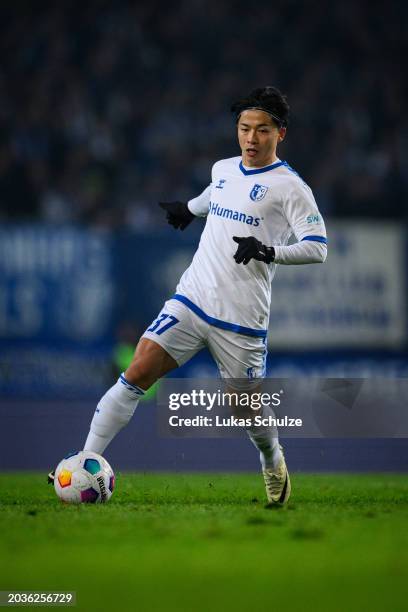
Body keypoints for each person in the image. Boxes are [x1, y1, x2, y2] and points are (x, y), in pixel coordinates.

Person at [50, 86, 327, 505]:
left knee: (244, 408)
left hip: (241, 317)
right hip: (193, 298)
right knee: (139, 367)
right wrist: (189, 208)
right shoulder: (223, 168)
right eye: (244, 128)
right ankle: (86, 459)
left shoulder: (290, 188)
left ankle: (273, 458)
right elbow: (214, 195)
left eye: (262, 130)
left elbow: (318, 247)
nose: (251, 139)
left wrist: (269, 250)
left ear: (280, 133)